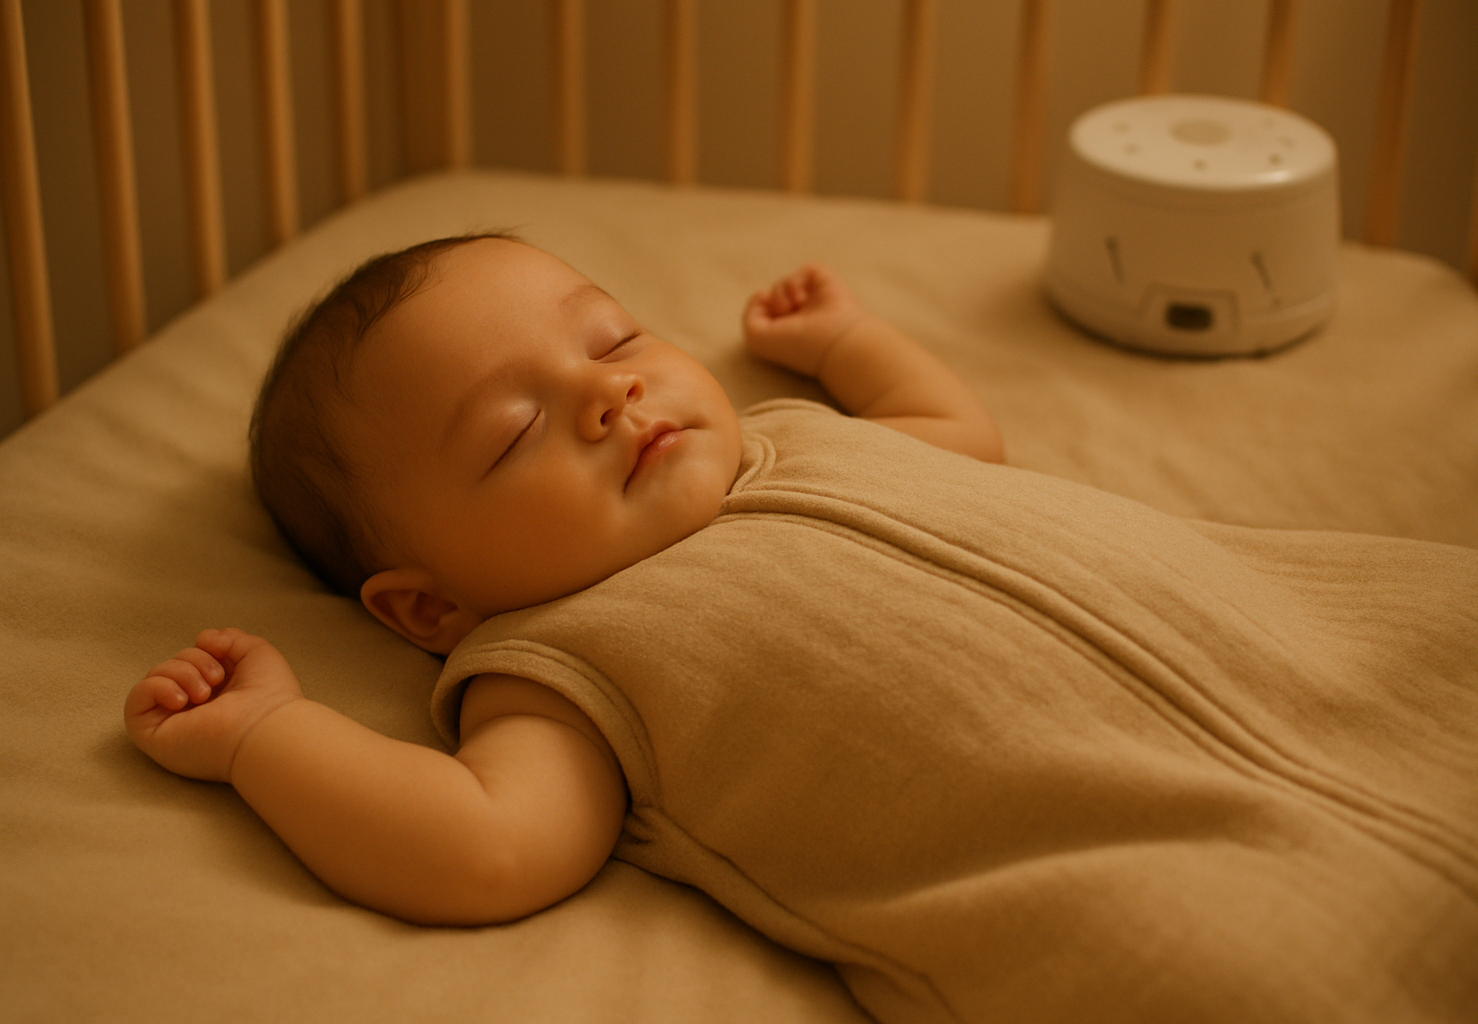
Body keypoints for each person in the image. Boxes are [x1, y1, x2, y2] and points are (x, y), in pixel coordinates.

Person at [123, 233, 1006, 927]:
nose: (610, 389)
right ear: (432, 605)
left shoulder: (790, 437)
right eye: (515, 432)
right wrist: (265, 735)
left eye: (613, 338)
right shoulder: (565, 662)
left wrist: (846, 342)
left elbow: (960, 433)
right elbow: (487, 845)